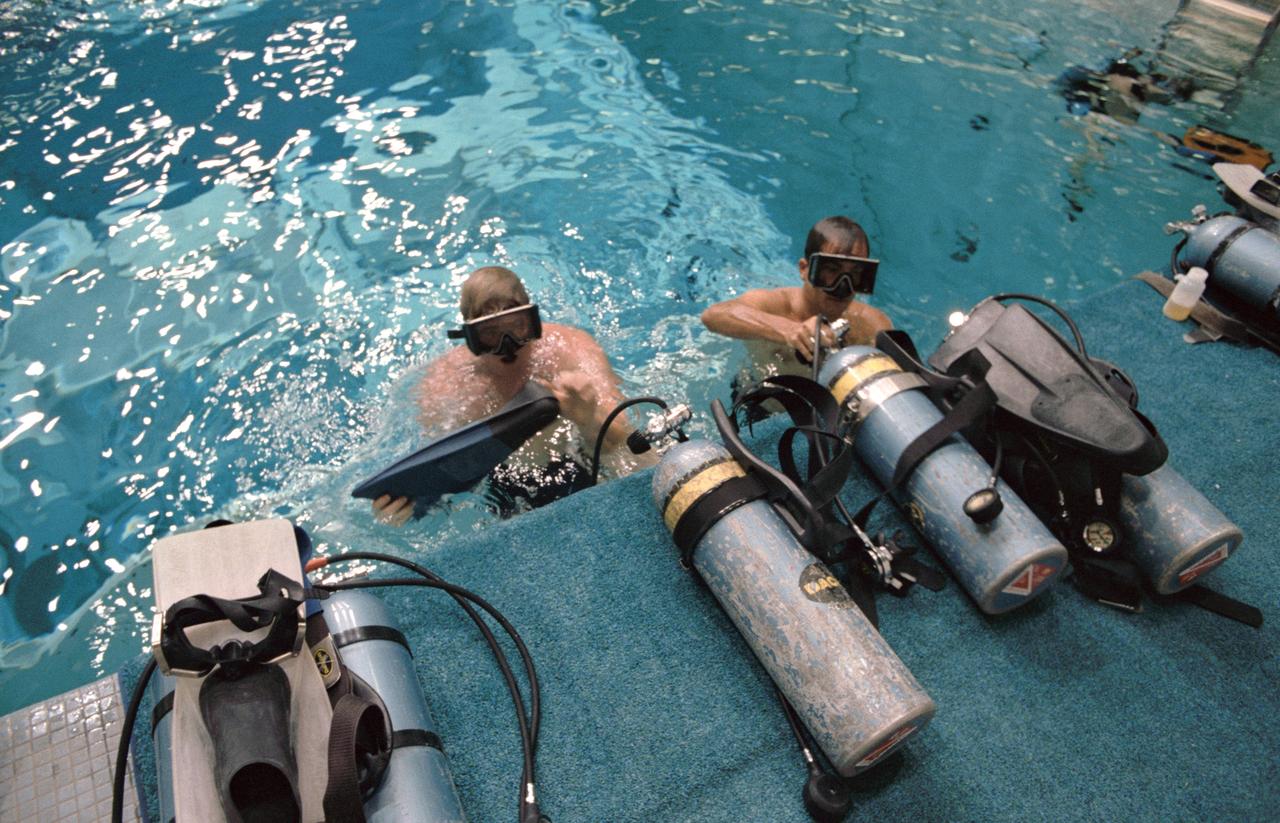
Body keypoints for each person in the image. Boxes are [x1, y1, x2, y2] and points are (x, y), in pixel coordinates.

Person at [373, 266, 648, 525]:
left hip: (582, 461)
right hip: (502, 488)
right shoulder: (445, 386)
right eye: (490, 334)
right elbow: (440, 479)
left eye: (517, 327)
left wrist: (589, 419)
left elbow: (629, 443)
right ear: (470, 338)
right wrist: (406, 508)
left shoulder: (571, 349)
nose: (509, 346)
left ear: (533, 321)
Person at [700, 215, 892, 380]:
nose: (843, 285)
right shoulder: (775, 306)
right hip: (760, 408)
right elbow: (714, 315)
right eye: (831, 270)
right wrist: (790, 330)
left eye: (856, 274)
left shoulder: (870, 323)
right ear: (804, 269)